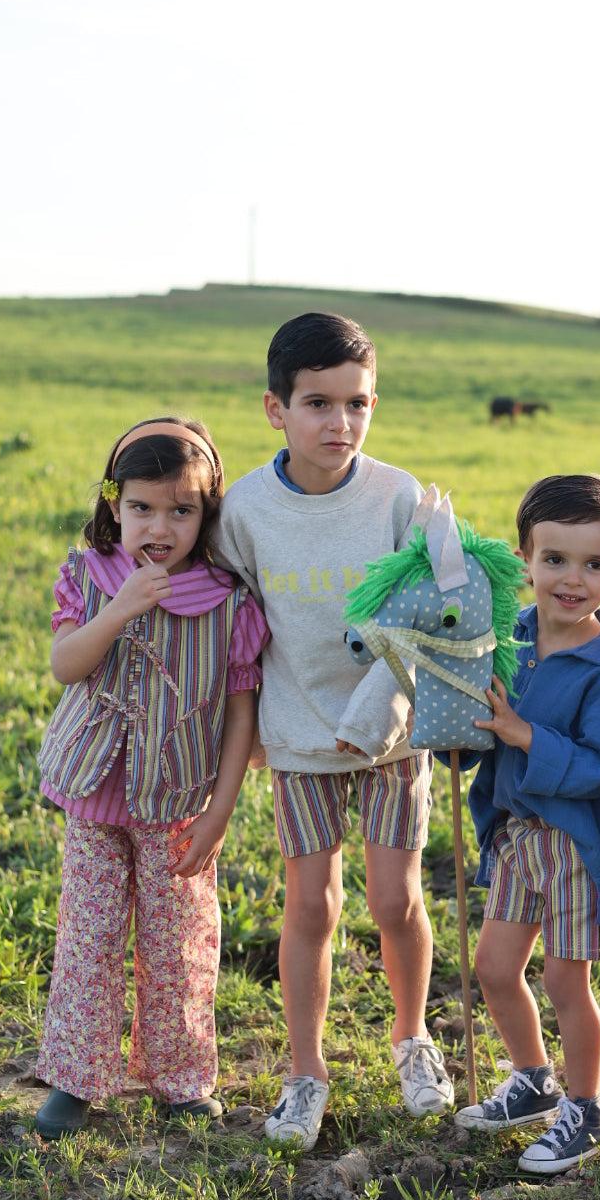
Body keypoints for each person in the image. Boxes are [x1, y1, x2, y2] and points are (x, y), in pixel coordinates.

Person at [213, 312, 454, 1152]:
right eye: (317, 404)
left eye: (356, 405)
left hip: (393, 738)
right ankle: (305, 1071)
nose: (339, 424)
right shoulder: (242, 509)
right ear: (275, 408)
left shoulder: (396, 496)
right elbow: (234, 621)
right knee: (310, 903)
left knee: (397, 899)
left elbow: (430, 613)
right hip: (299, 738)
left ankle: (413, 1040)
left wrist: (409, 705)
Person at [34, 417, 267, 1138]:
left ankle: (181, 1079)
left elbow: (239, 716)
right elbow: (66, 665)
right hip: (94, 792)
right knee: (90, 933)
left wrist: (220, 813)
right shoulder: (88, 574)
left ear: (208, 512)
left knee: (181, 940)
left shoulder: (229, 601)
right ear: (113, 504)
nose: (159, 526)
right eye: (141, 507)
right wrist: (123, 607)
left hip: (179, 801)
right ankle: (77, 1079)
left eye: (181, 510)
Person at [455, 474, 600, 1172]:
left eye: (594, 564)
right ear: (525, 559)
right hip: (519, 836)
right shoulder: (514, 637)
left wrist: (523, 733)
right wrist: (467, 730)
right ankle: (533, 1081)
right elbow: (486, 721)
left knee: (569, 982)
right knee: (493, 968)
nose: (573, 579)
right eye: (555, 559)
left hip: (579, 845)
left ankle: (587, 1110)